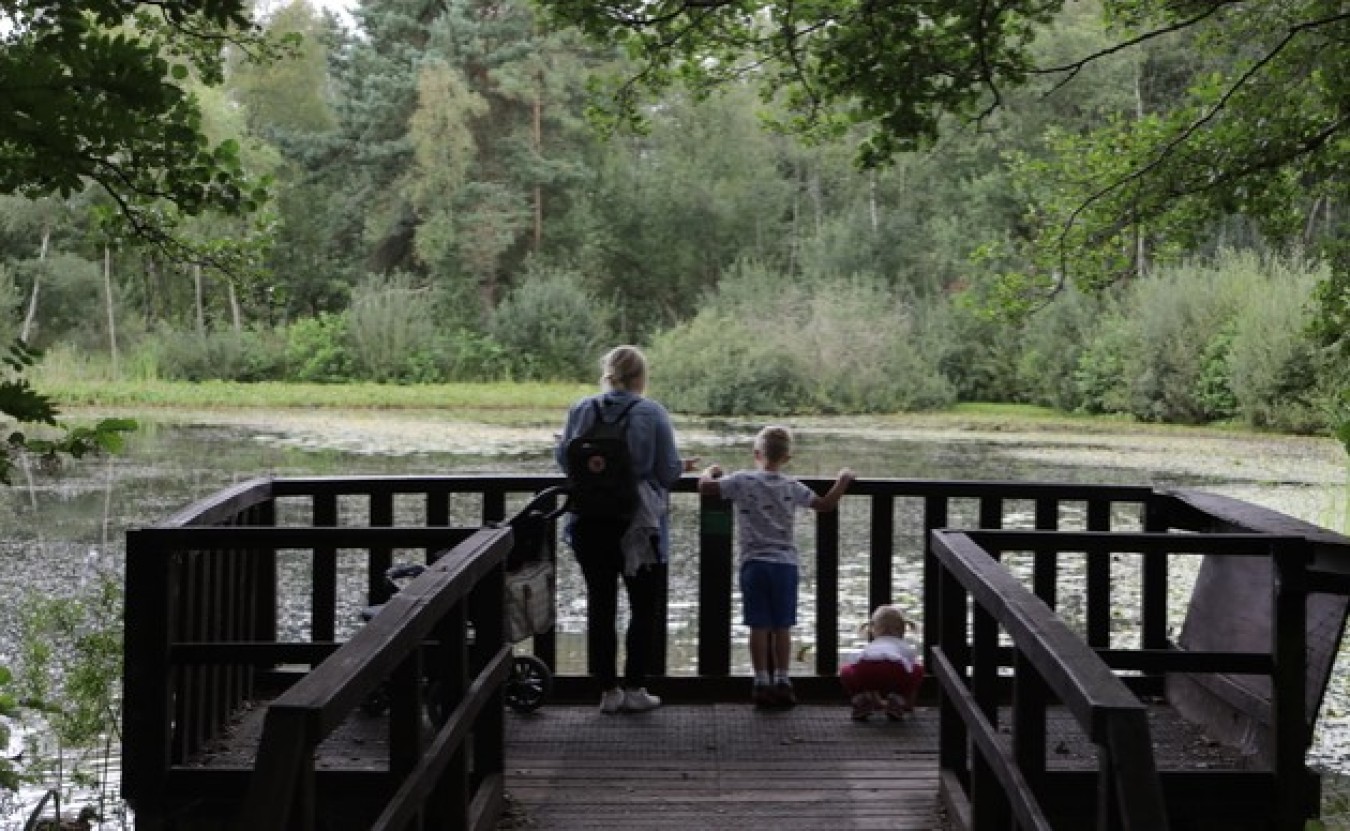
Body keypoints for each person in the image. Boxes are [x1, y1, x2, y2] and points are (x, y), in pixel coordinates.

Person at [556, 345, 696, 714]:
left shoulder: (582, 408)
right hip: (638, 526)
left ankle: (608, 692)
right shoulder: (652, 412)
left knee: (600, 605)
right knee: (642, 607)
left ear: (609, 373)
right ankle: (635, 687)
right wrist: (683, 467)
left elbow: (563, 460)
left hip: (588, 521)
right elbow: (666, 472)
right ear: (641, 377)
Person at [698, 426, 854, 708]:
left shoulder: (742, 481)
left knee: (758, 625)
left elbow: (706, 488)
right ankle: (783, 679)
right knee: (782, 625)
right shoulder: (792, 486)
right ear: (787, 458)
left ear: (756, 454)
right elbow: (825, 504)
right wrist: (842, 480)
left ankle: (760, 681)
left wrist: (710, 471)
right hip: (785, 565)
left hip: (754, 564)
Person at [840, 603, 924, 721]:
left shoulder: (872, 646)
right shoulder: (904, 647)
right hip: (895, 671)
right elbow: (911, 668)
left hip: (865, 671)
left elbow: (855, 661)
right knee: (917, 669)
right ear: (903, 629)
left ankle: (861, 700)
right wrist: (910, 701)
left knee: (846, 670)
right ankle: (898, 701)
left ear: (872, 629)